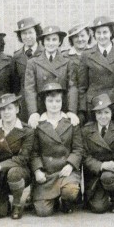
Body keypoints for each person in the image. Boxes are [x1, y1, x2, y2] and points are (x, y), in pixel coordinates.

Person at [30, 82, 84, 217]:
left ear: (62, 102)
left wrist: (71, 165)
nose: (54, 104)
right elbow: (34, 152)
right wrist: (37, 170)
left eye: (58, 101)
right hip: (47, 173)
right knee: (43, 212)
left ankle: (66, 200)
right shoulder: (38, 123)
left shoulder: (71, 121)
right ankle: (52, 198)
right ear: (45, 102)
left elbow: (78, 149)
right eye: (50, 101)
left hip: (65, 170)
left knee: (70, 191)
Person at [0, 93, 34, 219]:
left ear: (17, 109)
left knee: (14, 173)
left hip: (18, 169)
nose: (6, 112)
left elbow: (23, 158)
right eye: (2, 109)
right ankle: (2, 200)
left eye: (9, 108)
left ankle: (16, 203)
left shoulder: (27, 130)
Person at [78, 16, 114, 124]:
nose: (102, 36)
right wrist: (82, 110)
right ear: (94, 35)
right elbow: (82, 86)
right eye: (98, 33)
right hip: (94, 106)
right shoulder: (86, 55)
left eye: (105, 32)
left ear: (111, 33)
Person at [81, 93, 114, 214]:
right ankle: (103, 196)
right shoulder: (86, 131)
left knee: (108, 177)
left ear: (112, 113)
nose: (103, 116)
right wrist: (101, 166)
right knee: (98, 208)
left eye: (106, 112)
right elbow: (85, 156)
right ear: (94, 115)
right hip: (96, 173)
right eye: (99, 113)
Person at [24, 26, 80, 128]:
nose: (51, 43)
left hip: (60, 108)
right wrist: (33, 112)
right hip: (41, 109)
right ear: (43, 42)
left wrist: (72, 111)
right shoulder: (33, 62)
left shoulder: (67, 62)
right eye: (47, 40)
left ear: (59, 42)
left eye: (54, 39)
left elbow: (72, 87)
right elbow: (29, 89)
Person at [12, 17, 44, 121]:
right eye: (24, 34)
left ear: (37, 33)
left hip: (42, 101)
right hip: (23, 103)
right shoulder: (16, 57)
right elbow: (15, 84)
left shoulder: (45, 53)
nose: (27, 36)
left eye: (30, 33)